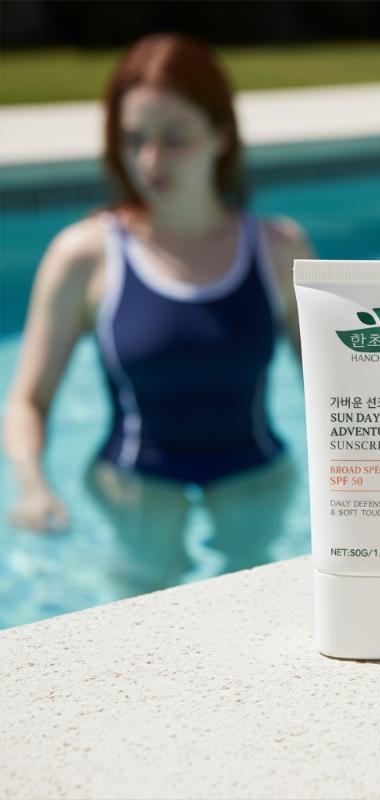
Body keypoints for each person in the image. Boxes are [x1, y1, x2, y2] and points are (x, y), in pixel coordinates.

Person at [3, 34, 314, 594]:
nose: (150, 160)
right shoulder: (84, 255)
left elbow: (332, 388)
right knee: (142, 600)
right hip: (134, 486)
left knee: (253, 604)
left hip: (256, 478)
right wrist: (32, 485)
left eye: (173, 138)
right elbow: (29, 398)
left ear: (221, 134)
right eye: (134, 139)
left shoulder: (280, 249)